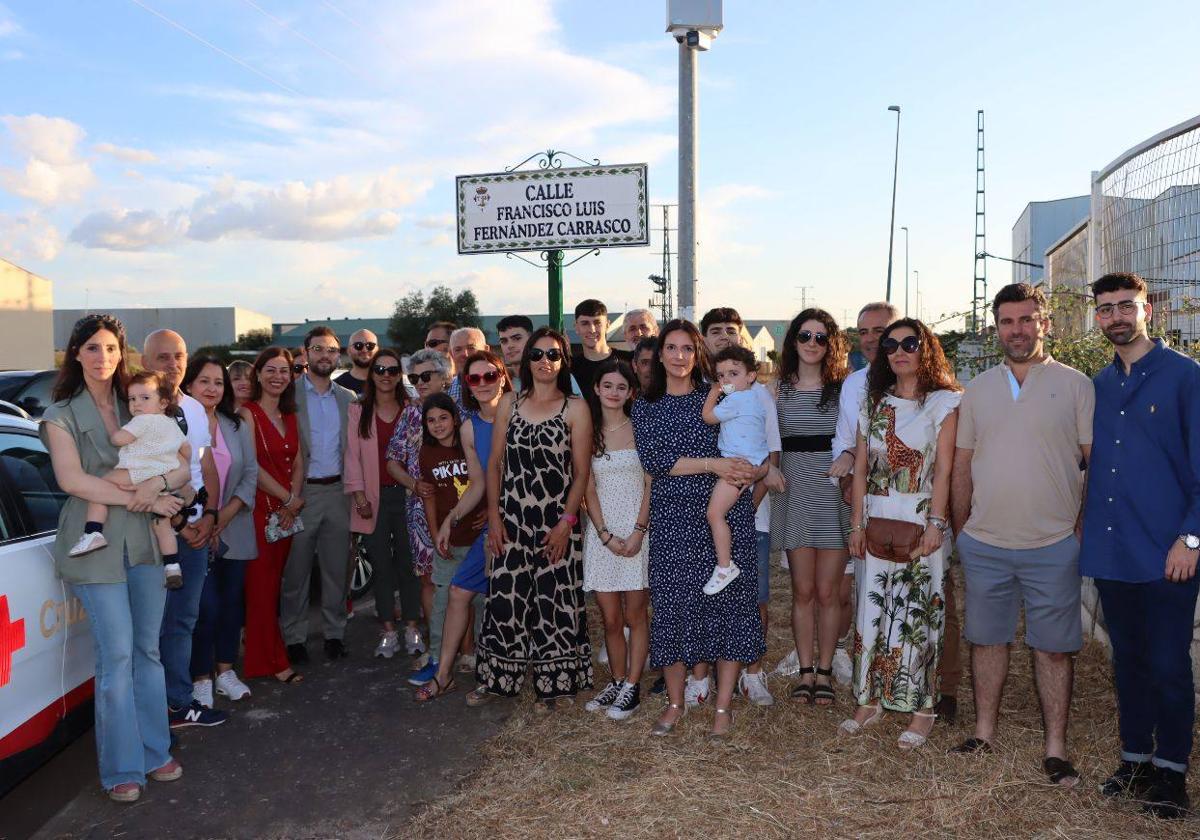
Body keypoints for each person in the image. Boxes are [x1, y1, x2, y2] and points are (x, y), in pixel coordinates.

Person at [947, 283, 1093, 788]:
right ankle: (984, 734)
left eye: (1027, 319)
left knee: (1053, 649)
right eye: (1007, 321)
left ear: (1045, 322)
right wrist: (963, 531)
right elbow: (962, 465)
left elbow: (1092, 465)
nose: (1017, 330)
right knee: (986, 641)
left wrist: (1077, 531)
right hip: (985, 544)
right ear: (996, 328)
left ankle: (1055, 749)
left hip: (1053, 545)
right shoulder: (979, 389)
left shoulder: (1077, 385)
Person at [41, 314, 189, 802]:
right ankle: (122, 767)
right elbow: (72, 481)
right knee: (117, 656)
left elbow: (184, 467)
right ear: (75, 354)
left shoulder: (141, 405)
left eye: (109, 349)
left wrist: (164, 487)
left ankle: (154, 750)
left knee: (147, 650)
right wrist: (143, 496)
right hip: (94, 545)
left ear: (120, 354)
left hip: (145, 543)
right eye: (91, 348)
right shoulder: (60, 414)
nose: (101, 358)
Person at [1082, 272, 1200, 819]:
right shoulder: (1098, 387)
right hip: (1113, 552)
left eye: (1125, 306)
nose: (1116, 317)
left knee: (1170, 664)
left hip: (1170, 555)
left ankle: (1171, 774)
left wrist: (1191, 537)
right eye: (1105, 309)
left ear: (1147, 308)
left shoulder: (1185, 378)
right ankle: (1134, 762)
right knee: (1128, 661)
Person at [631, 320, 766, 738]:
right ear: (659, 356)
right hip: (672, 519)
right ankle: (675, 704)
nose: (678, 356)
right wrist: (712, 464)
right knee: (671, 609)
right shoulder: (645, 407)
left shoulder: (720, 395)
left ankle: (722, 707)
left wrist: (751, 470)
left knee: (728, 608)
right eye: (670, 348)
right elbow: (657, 461)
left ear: (698, 353)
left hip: (722, 517)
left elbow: (751, 442)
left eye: (687, 348)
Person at [842, 318, 961, 750]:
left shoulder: (944, 403)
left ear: (925, 348)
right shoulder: (871, 405)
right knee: (870, 612)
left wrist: (937, 524)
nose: (898, 351)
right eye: (890, 344)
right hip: (875, 517)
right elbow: (858, 470)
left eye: (909, 343)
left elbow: (945, 470)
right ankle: (868, 699)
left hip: (920, 520)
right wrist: (856, 524)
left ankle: (923, 708)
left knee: (920, 615)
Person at [475, 327, 594, 711]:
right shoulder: (509, 402)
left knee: (554, 604)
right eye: (538, 354)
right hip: (511, 522)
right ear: (527, 360)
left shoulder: (575, 408)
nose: (546, 361)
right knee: (505, 602)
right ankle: (497, 681)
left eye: (554, 355)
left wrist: (566, 523)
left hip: (556, 523)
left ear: (563, 362)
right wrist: (494, 518)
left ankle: (557, 686)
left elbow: (581, 473)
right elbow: (494, 464)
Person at [415, 350, 512, 700]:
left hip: (526, 520)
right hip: (494, 525)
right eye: (475, 378)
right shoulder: (470, 427)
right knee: (458, 591)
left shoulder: (519, 410)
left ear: (502, 376)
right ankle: (444, 674)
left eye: (490, 375)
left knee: (502, 601)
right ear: (466, 385)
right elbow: (479, 483)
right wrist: (450, 519)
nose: (483, 383)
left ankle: (497, 673)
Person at [142, 329, 225, 729]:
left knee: (183, 622)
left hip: (195, 531)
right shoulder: (139, 411)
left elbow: (204, 467)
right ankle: (155, 710)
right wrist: (180, 522)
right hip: (157, 534)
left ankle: (178, 704)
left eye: (179, 356)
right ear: (145, 363)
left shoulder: (193, 408)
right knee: (155, 626)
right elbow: (141, 478)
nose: (173, 364)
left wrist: (209, 516)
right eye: (163, 357)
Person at [768, 310, 850, 706]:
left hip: (834, 495)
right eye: (805, 335)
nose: (812, 343)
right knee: (801, 591)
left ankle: (827, 671)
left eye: (821, 337)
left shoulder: (845, 389)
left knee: (828, 591)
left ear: (831, 343)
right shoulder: (776, 390)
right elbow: (764, 441)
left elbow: (859, 438)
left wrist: (849, 455)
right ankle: (805, 672)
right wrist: (768, 469)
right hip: (794, 492)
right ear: (793, 341)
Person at [68, 371, 190, 596]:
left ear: (163, 402)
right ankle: (172, 566)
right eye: (132, 399)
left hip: (135, 472)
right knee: (162, 525)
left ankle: (93, 531)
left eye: (145, 398)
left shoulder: (142, 421)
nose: (136, 404)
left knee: (100, 486)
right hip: (162, 478)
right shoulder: (173, 425)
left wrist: (114, 430)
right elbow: (187, 451)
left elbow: (118, 440)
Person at [184, 356, 258, 706]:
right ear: (188, 385)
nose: (212, 388)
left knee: (231, 605)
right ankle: (200, 678)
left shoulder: (237, 424)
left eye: (218, 382)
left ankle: (226, 671)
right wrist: (206, 521)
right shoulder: (177, 425)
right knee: (205, 607)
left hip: (234, 526)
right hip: (194, 532)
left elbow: (250, 474)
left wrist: (222, 517)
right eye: (204, 381)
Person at [582, 358, 650, 721]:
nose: (613, 392)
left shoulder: (641, 428)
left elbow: (651, 483)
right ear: (596, 388)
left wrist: (638, 532)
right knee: (610, 619)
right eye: (607, 386)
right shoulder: (587, 430)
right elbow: (586, 486)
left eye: (621, 387)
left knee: (636, 615)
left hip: (638, 532)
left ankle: (633, 686)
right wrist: (605, 535)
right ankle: (618, 679)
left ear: (630, 392)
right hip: (602, 534)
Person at [282, 326, 355, 662]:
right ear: (306, 352)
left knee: (336, 569)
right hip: (302, 494)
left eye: (331, 350)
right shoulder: (289, 395)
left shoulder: (347, 399)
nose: (325, 356)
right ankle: (294, 636)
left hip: (338, 492)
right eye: (318, 349)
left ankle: (334, 633)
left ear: (337, 355)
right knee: (296, 572)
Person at [238, 347, 305, 685]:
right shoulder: (247, 414)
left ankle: (263, 648)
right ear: (259, 373)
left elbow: (298, 460)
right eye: (271, 370)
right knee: (261, 590)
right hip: (260, 514)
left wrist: (292, 502)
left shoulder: (290, 415)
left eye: (285, 371)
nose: (278, 376)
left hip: (286, 516)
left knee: (273, 587)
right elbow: (251, 466)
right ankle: (273, 661)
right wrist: (287, 499)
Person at [414, 392, 486, 691]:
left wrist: (488, 514)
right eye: (431, 420)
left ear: (455, 419)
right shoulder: (427, 454)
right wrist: (434, 534)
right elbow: (428, 497)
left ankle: (485, 656)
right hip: (449, 540)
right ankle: (436, 658)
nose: (438, 425)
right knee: (443, 600)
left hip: (477, 536)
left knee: (481, 600)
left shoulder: (467, 444)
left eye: (443, 418)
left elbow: (486, 481)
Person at [386, 348, 451, 659]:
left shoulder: (461, 410)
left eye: (426, 376)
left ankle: (469, 649)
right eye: (414, 378)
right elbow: (392, 461)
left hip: (461, 509)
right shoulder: (410, 414)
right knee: (428, 580)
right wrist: (415, 485)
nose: (420, 383)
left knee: (464, 581)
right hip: (419, 511)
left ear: (444, 376)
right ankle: (437, 649)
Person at [344, 348, 409, 658]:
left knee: (409, 566)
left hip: (409, 497)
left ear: (400, 374)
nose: (386, 375)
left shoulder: (411, 408)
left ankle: (411, 627)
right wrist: (359, 497)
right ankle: (388, 631)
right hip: (373, 498)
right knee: (381, 568)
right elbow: (352, 457)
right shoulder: (358, 410)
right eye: (380, 370)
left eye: (392, 370)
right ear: (371, 374)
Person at [701, 346, 772, 596]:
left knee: (714, 513)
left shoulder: (735, 400)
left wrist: (713, 392)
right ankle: (725, 565)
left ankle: (724, 566)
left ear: (750, 375)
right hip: (750, 463)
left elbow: (708, 417)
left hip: (736, 466)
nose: (725, 380)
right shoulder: (756, 399)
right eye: (720, 376)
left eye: (733, 373)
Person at [572, 299, 631, 395]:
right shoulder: (571, 368)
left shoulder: (628, 361)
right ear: (576, 327)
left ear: (607, 325)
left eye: (597, 323)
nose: (592, 329)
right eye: (585, 323)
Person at [448, 325, 486, 408]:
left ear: (486, 350)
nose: (464, 354)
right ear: (451, 354)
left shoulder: (499, 385)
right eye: (458, 349)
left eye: (471, 348)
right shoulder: (446, 390)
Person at [335, 328, 379, 396]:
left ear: (377, 350)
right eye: (358, 345)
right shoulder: (336, 387)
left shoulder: (388, 383)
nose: (364, 350)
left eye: (370, 346)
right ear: (348, 351)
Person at [497, 315, 534, 382]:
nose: (510, 345)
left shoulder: (549, 380)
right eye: (504, 341)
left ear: (531, 339)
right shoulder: (496, 383)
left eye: (517, 338)